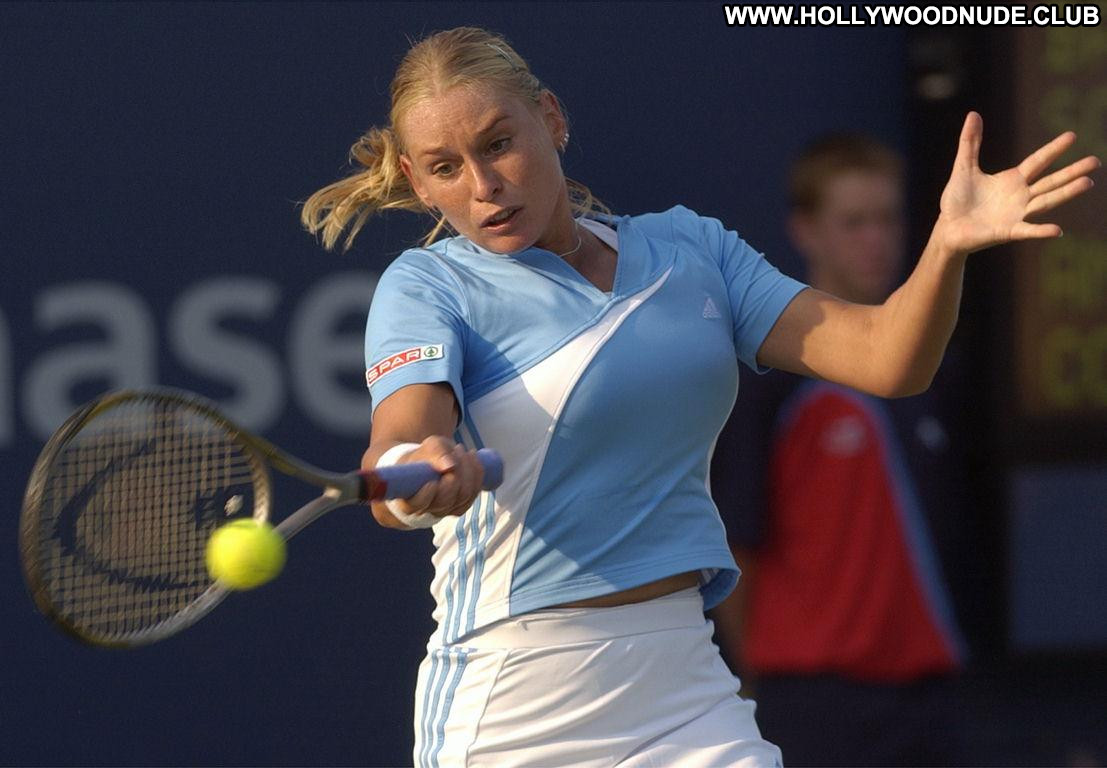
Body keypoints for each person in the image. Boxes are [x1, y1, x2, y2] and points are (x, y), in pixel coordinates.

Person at [299, 26, 1098, 768]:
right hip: (515, 697)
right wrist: (419, 471)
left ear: (551, 118)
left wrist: (948, 245)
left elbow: (888, 359)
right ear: (417, 182)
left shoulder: (691, 248)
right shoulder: (428, 285)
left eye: (498, 144)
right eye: (445, 168)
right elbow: (400, 441)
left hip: (685, 686)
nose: (483, 186)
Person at [709, 135, 978, 766]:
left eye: (888, 219)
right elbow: (734, 547)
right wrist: (755, 680)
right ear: (806, 231)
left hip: (930, 696)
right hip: (812, 702)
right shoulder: (767, 380)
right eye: (854, 222)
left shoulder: (937, 369)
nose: (876, 240)